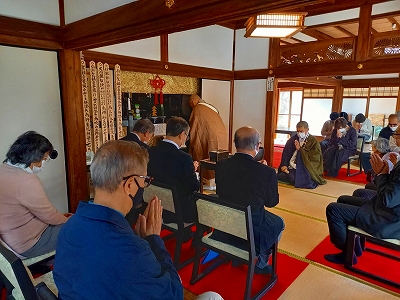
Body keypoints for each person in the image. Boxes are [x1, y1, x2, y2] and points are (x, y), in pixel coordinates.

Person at [53, 140, 222, 300]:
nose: (144, 186)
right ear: (129, 185)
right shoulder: (131, 249)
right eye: (145, 180)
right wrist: (154, 241)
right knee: (213, 296)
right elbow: (173, 294)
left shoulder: (70, 226)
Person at [212, 126, 284, 274]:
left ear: (235, 143)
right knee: (279, 222)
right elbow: (271, 202)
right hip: (252, 227)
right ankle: (261, 264)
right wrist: (266, 176)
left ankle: (237, 257)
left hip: (226, 223)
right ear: (257, 146)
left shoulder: (221, 165)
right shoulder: (266, 172)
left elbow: (220, 192)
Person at [0, 131, 70, 258]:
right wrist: (67, 220)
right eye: (44, 159)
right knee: (80, 228)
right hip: (28, 243)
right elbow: (49, 216)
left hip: (9, 241)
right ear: (33, 157)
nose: (43, 165)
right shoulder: (26, 181)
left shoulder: (3, 170)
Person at [325, 152, 400, 265]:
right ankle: (354, 247)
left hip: (387, 222)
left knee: (333, 210)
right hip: (386, 212)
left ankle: (347, 253)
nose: (394, 138)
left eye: (397, 135)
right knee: (342, 199)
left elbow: (387, 200)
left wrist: (381, 174)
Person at [148, 117, 200, 224]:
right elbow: (193, 187)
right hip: (179, 210)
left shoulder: (151, 151)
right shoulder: (184, 158)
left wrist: (189, 168)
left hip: (157, 203)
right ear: (182, 135)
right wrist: (193, 172)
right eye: (186, 136)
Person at [120, 119, 155, 227]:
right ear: (146, 133)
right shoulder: (143, 148)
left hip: (117, 183)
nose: (149, 139)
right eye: (150, 136)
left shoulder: (119, 142)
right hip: (134, 188)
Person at [188, 94, 228, 179]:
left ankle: (207, 181)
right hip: (221, 136)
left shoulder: (197, 109)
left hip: (209, 137)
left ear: (193, 101)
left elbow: (195, 130)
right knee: (219, 158)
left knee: (206, 156)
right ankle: (219, 180)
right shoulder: (211, 107)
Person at [277, 121, 326, 189]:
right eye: (297, 131)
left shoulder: (313, 141)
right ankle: (289, 173)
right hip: (292, 166)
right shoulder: (293, 139)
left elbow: (315, 157)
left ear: (307, 130)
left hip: (305, 168)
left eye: (301, 131)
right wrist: (284, 165)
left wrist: (300, 150)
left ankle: (291, 175)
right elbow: (286, 153)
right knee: (279, 175)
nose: (299, 133)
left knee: (294, 179)